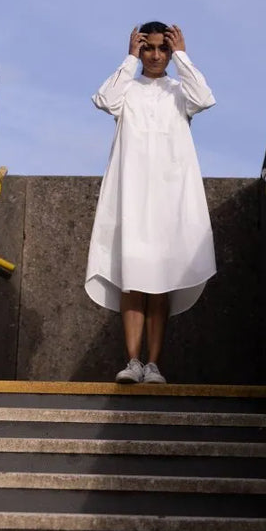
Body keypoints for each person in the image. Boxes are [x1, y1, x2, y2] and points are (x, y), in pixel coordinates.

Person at [85, 22, 216, 383]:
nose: (156, 55)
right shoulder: (128, 89)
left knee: (161, 280)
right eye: (149, 49)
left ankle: (154, 364)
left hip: (169, 197)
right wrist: (128, 59)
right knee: (134, 279)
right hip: (131, 195)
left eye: (163, 49)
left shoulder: (179, 91)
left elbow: (204, 98)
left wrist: (184, 56)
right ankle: (132, 361)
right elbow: (104, 99)